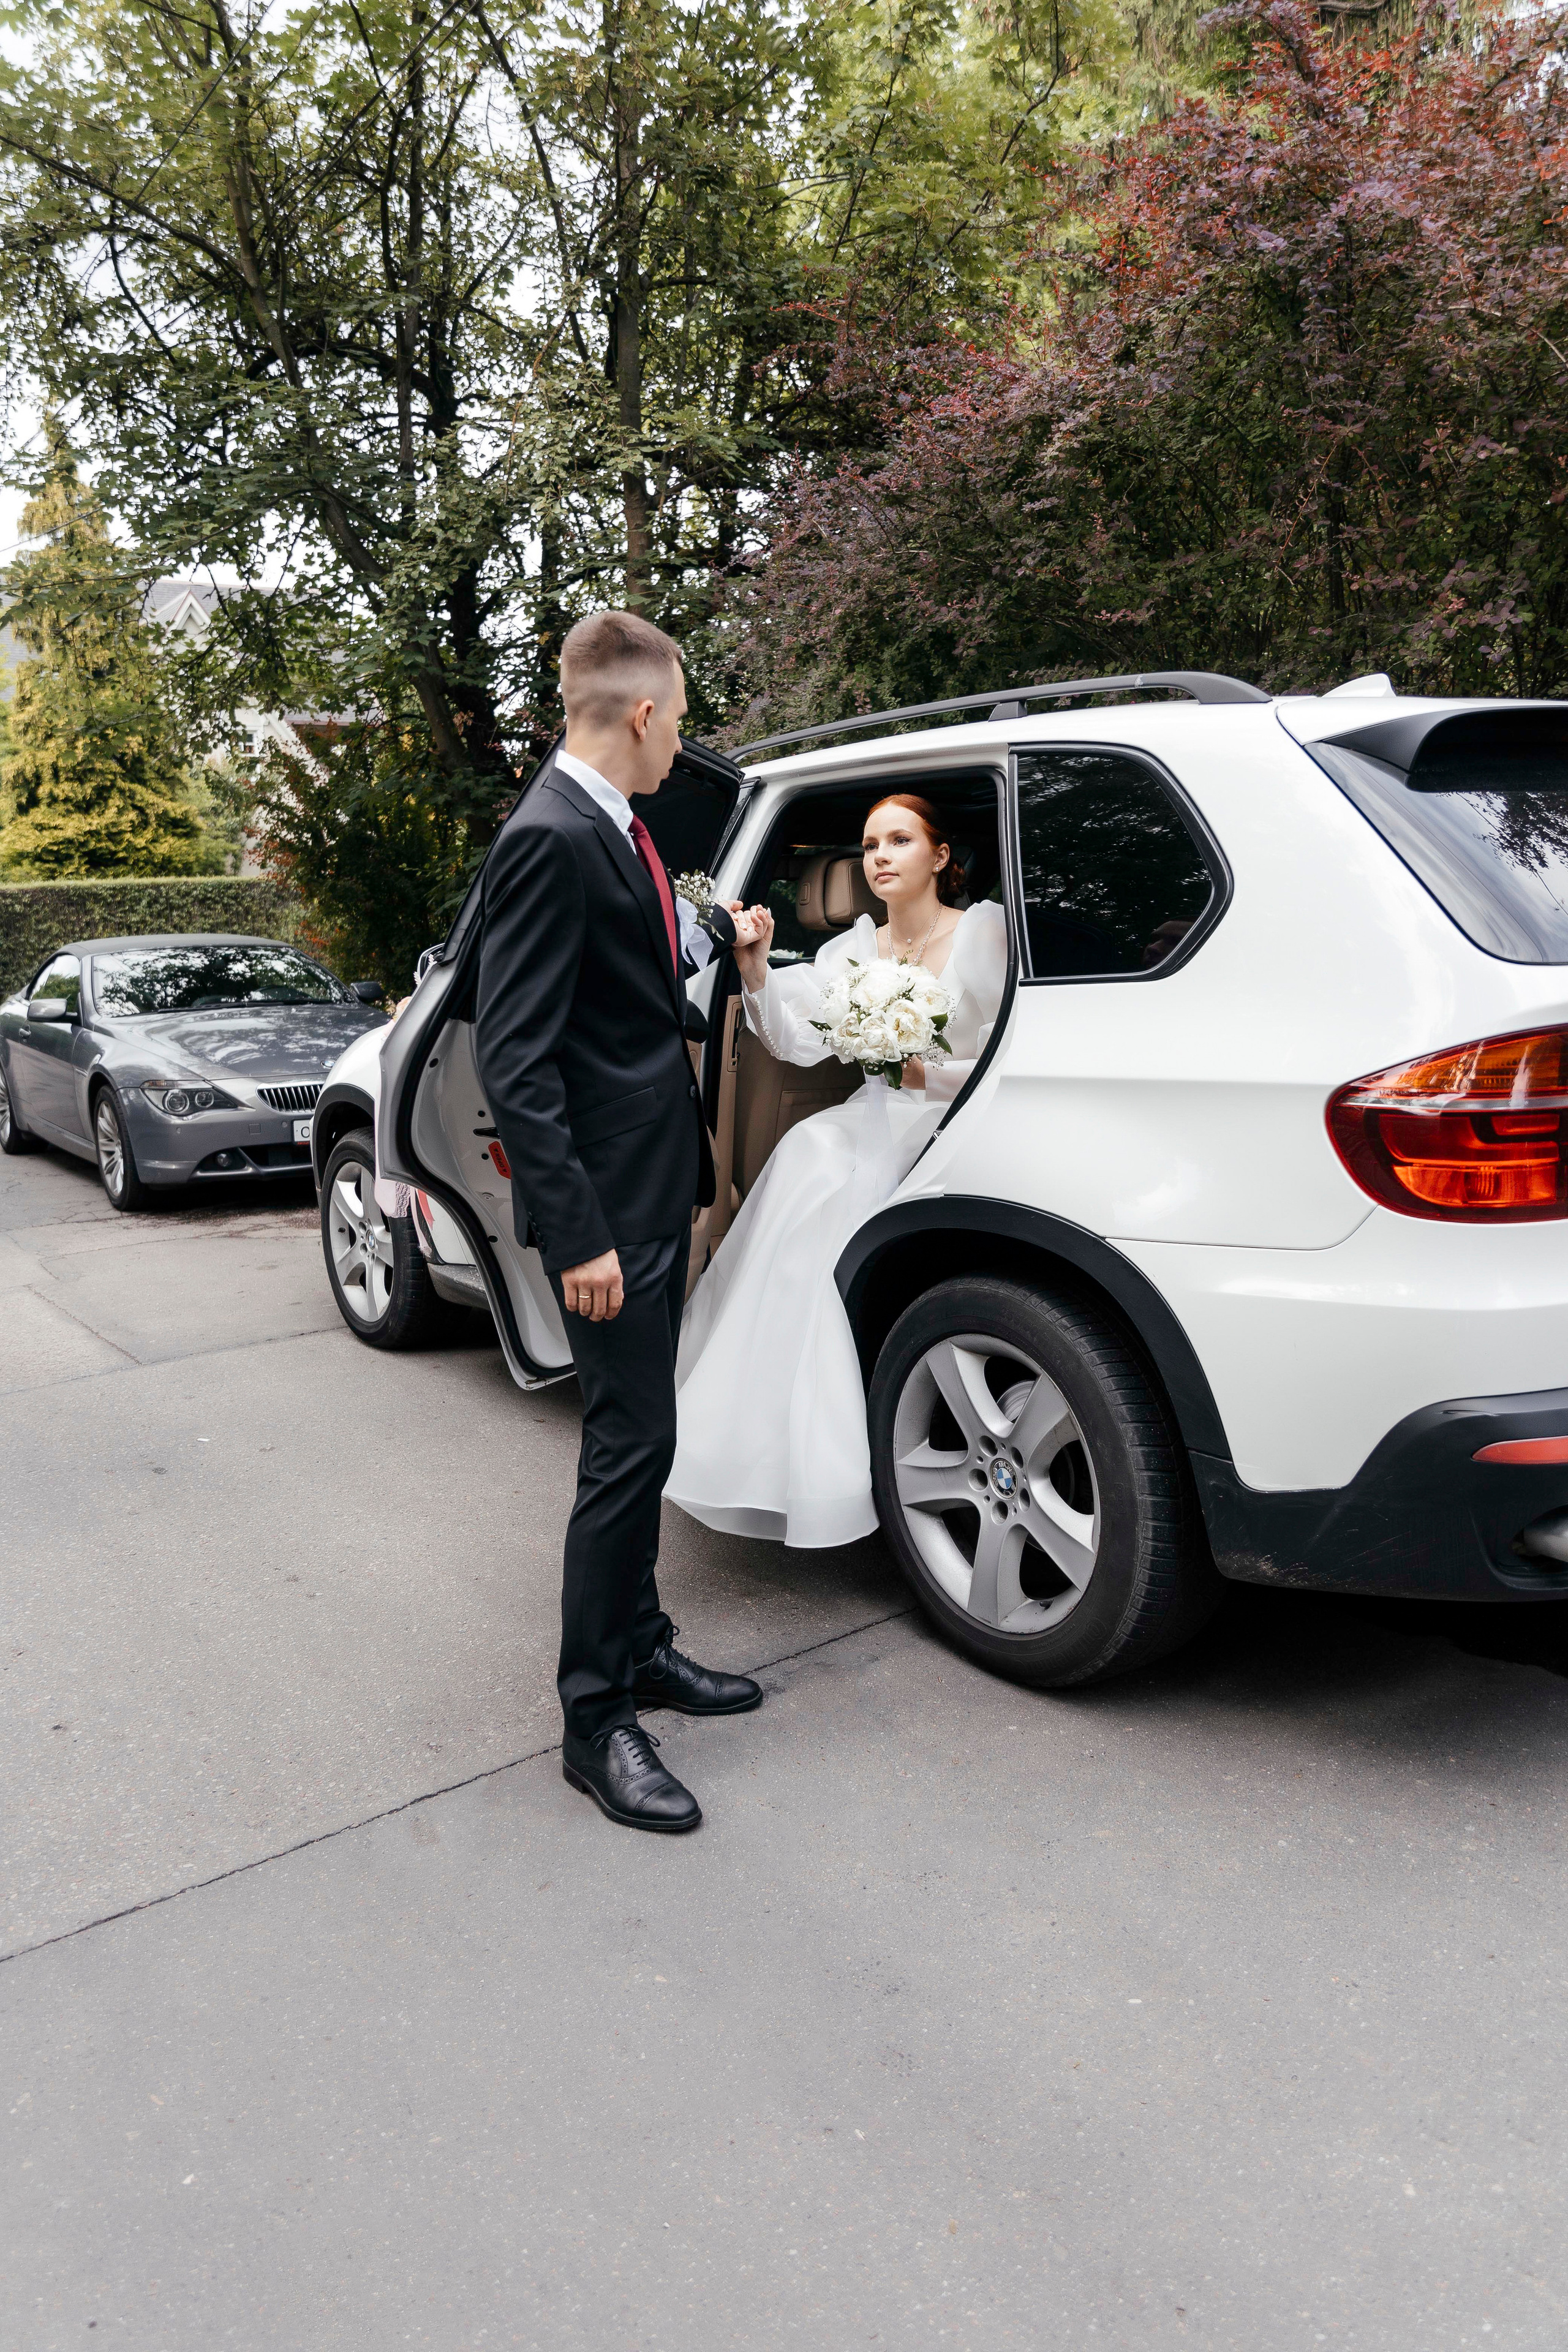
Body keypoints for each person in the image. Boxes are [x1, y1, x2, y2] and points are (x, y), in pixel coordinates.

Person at [475, 609, 762, 1836]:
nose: (681, 741)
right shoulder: (547, 838)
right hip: (607, 1210)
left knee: (644, 1437)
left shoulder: (621, 828)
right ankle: (594, 1720)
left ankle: (641, 1647)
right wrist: (576, 1233)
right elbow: (514, 1058)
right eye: (680, 719)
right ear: (642, 712)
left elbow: (629, 976)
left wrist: (715, 934)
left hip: (652, 1183)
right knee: (623, 1450)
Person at [666, 795, 1008, 1547]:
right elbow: (794, 1045)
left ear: (940, 857)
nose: (879, 856)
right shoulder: (853, 951)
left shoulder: (983, 933)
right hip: (869, 1118)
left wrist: (926, 1074)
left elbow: (1007, 1056)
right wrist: (755, 968)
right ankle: (786, 1446)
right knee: (812, 1155)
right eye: (868, 845)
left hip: (964, 1121)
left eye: (899, 840)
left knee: (824, 1161)